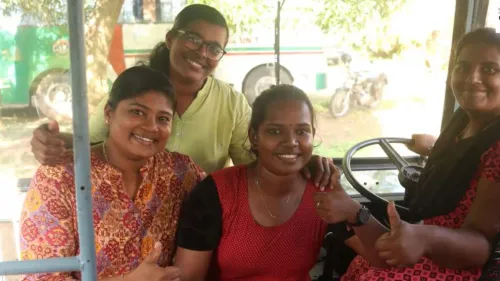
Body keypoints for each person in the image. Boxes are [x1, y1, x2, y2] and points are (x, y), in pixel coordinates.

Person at [29, 3, 336, 189]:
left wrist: (302, 161)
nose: (202, 53)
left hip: (200, 216)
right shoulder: (133, 88)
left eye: (214, 48)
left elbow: (256, 164)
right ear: (171, 38)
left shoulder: (231, 103)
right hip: (129, 208)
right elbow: (95, 144)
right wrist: (54, 141)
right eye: (193, 39)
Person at [324, 27, 500, 281]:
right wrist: (434, 145)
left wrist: (425, 238)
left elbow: (480, 245)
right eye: (462, 67)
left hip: (457, 260)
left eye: (490, 69)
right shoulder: (463, 121)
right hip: (426, 231)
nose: (472, 78)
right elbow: (466, 158)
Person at [171, 84, 387, 281]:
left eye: (302, 131)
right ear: (254, 136)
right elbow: (189, 277)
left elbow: (385, 259)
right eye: (275, 131)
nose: (291, 142)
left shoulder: (322, 192)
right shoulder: (216, 192)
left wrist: (354, 211)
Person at [19, 66, 205, 281]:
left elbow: (227, 203)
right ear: (109, 113)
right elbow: (41, 277)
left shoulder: (180, 172)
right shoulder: (61, 176)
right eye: (137, 112)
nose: (151, 126)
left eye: (163, 118)